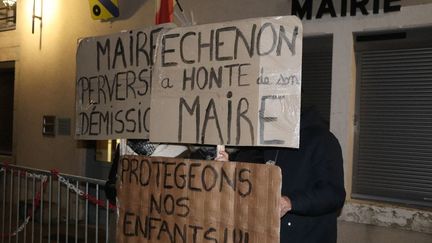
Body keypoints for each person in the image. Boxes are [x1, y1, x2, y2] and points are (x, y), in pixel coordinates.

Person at [233, 105, 346, 243]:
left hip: (308, 236)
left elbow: (333, 193)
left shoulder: (322, 140)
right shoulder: (264, 139)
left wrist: (290, 202)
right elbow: (248, 172)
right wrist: (226, 167)